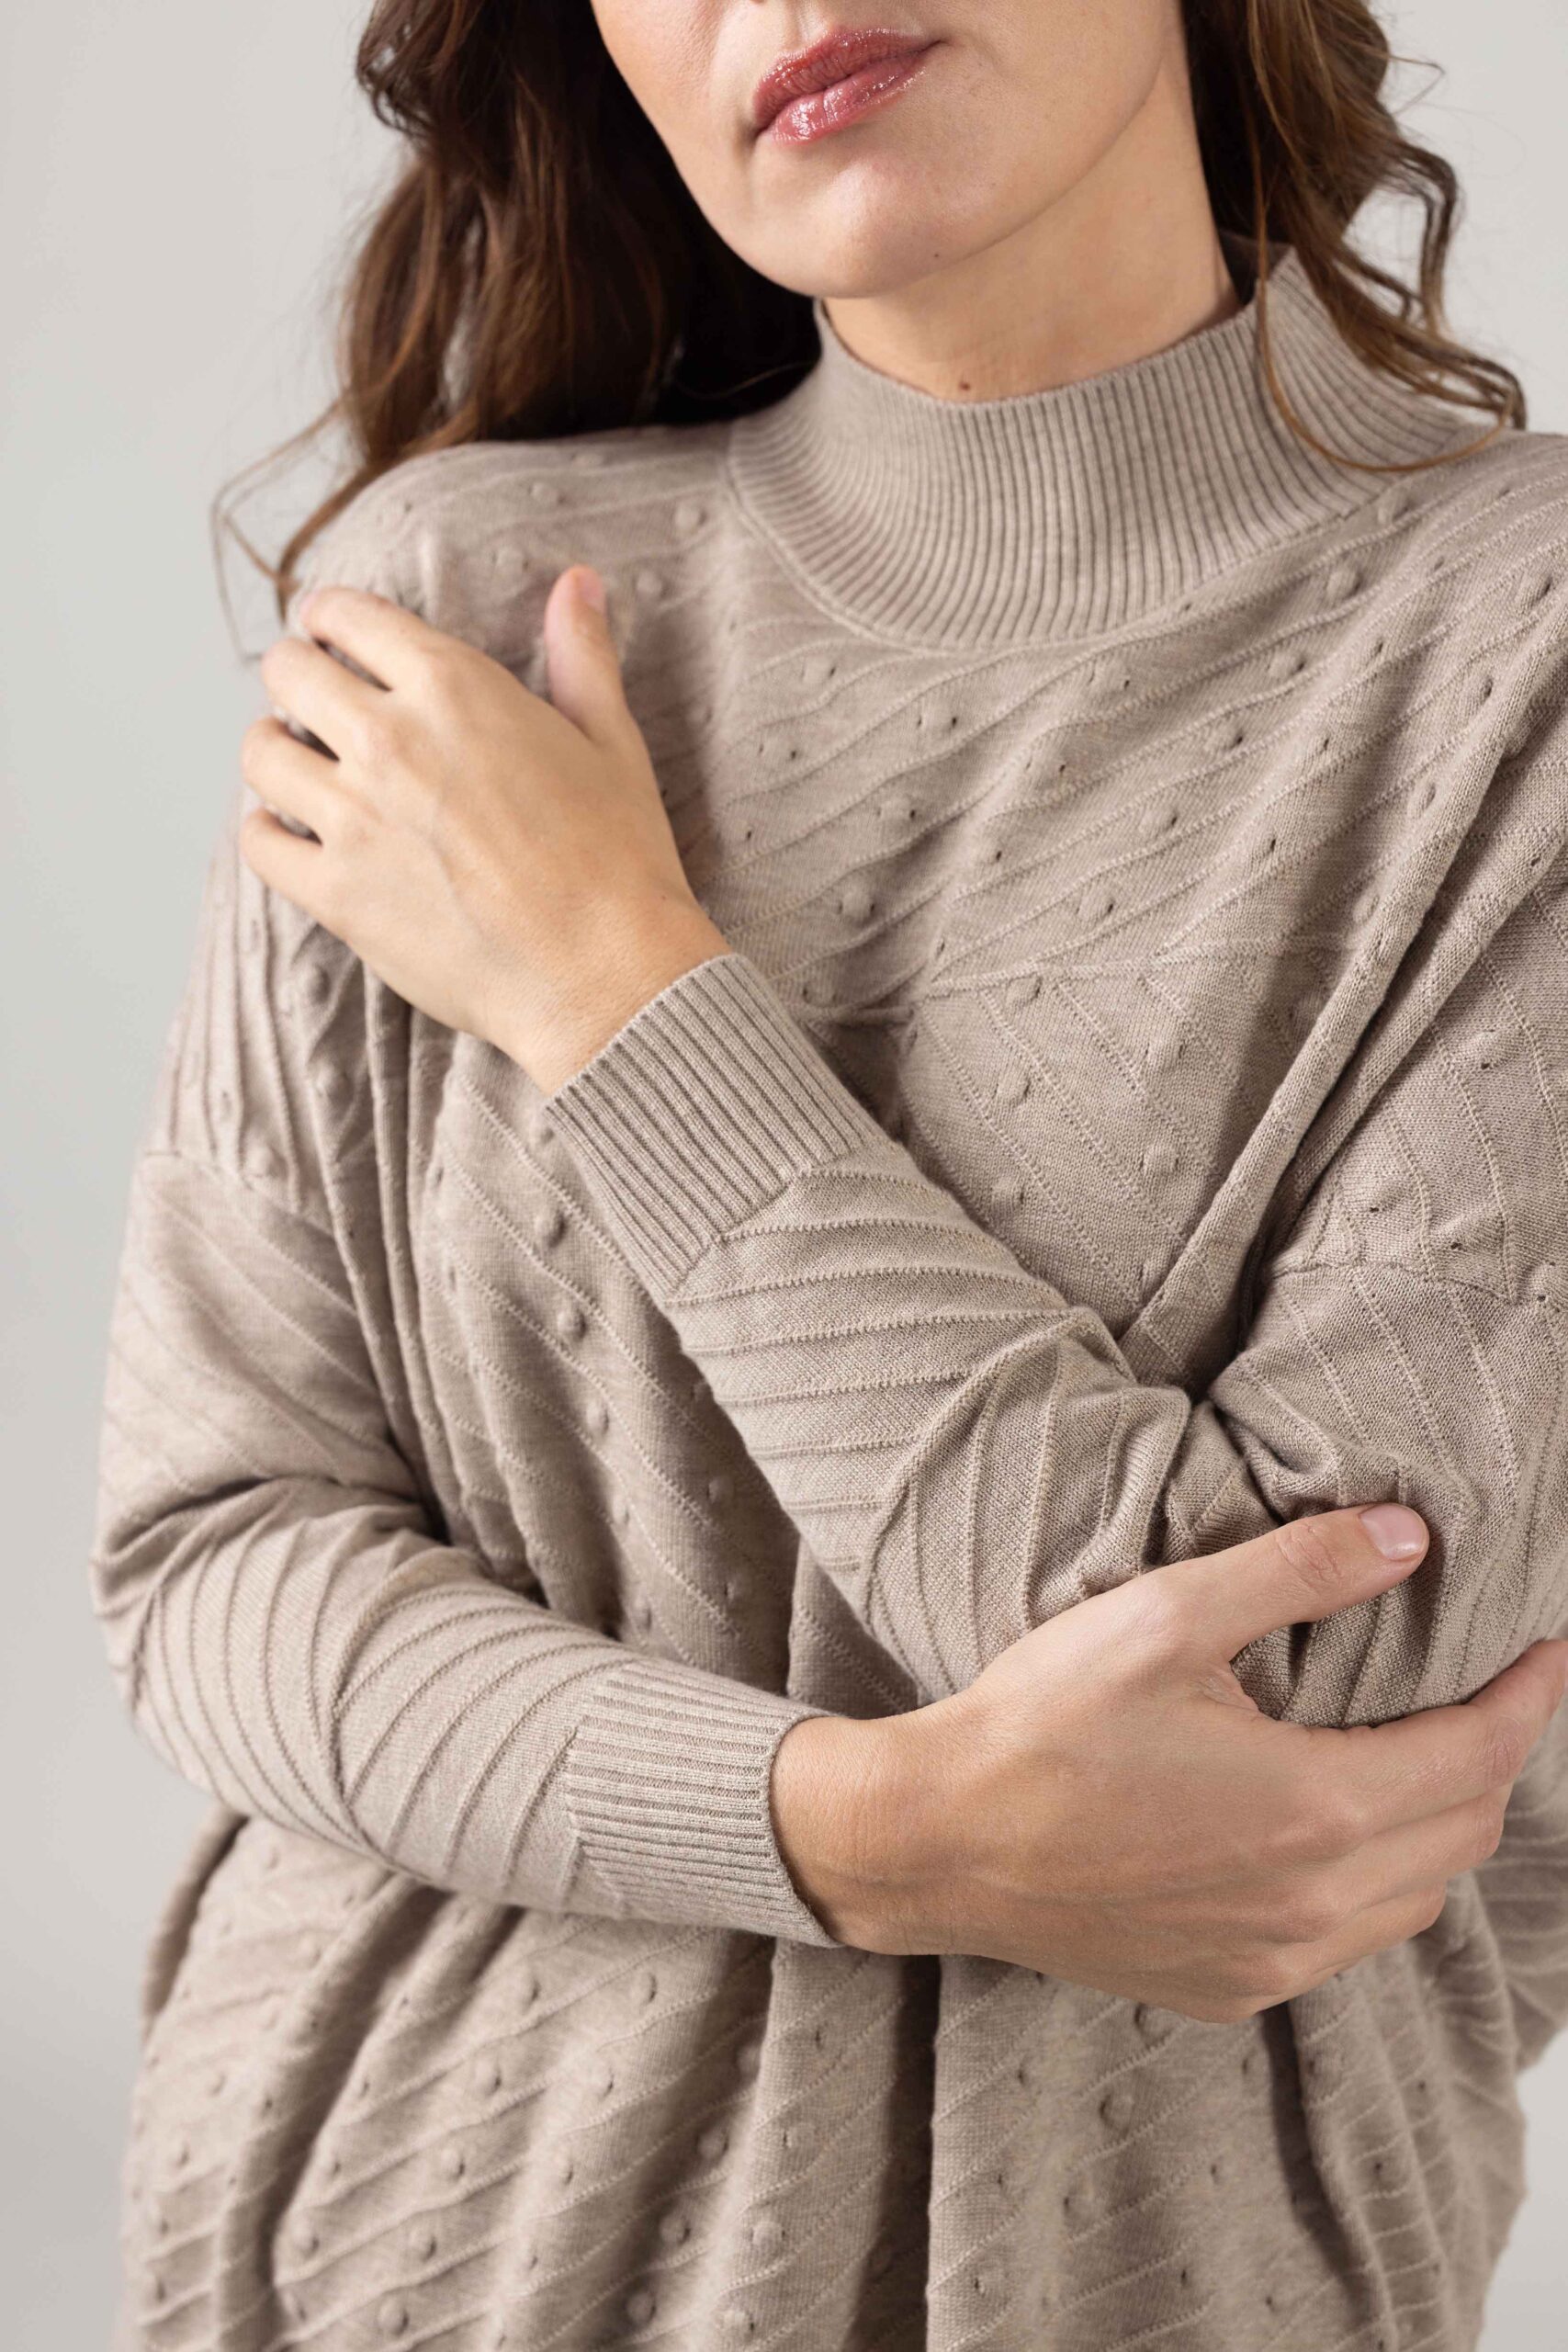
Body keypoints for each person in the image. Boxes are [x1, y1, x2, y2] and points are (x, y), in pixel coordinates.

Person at [91, 3, 1568, 2348]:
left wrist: (613, 991)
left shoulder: (1514, 651)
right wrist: (864, 1833)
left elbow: (1280, 1713)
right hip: (373, 2247)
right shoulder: (446, 615)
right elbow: (214, 1552)